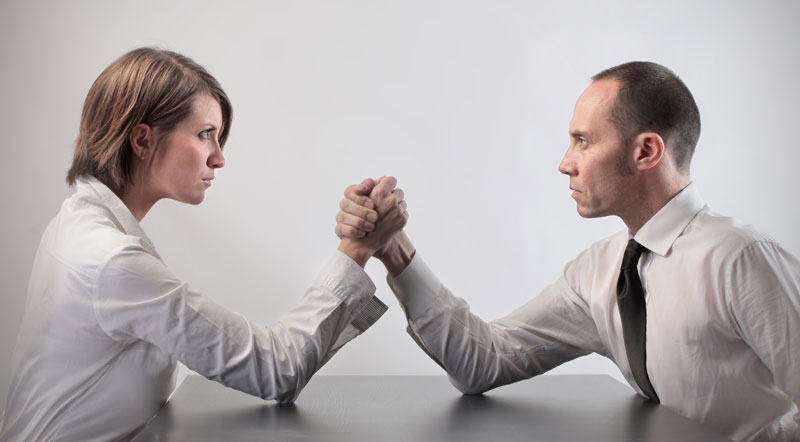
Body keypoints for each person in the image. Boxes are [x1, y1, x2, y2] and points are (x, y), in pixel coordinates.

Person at [336, 62, 800, 442]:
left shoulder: (740, 259)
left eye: (583, 140)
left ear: (646, 151)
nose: (565, 163)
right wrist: (393, 250)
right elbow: (484, 361)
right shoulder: (600, 272)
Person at [0, 47, 407, 442]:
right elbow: (277, 369)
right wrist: (357, 249)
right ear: (142, 141)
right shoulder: (110, 260)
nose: (219, 158)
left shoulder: (75, 223)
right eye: (205, 134)